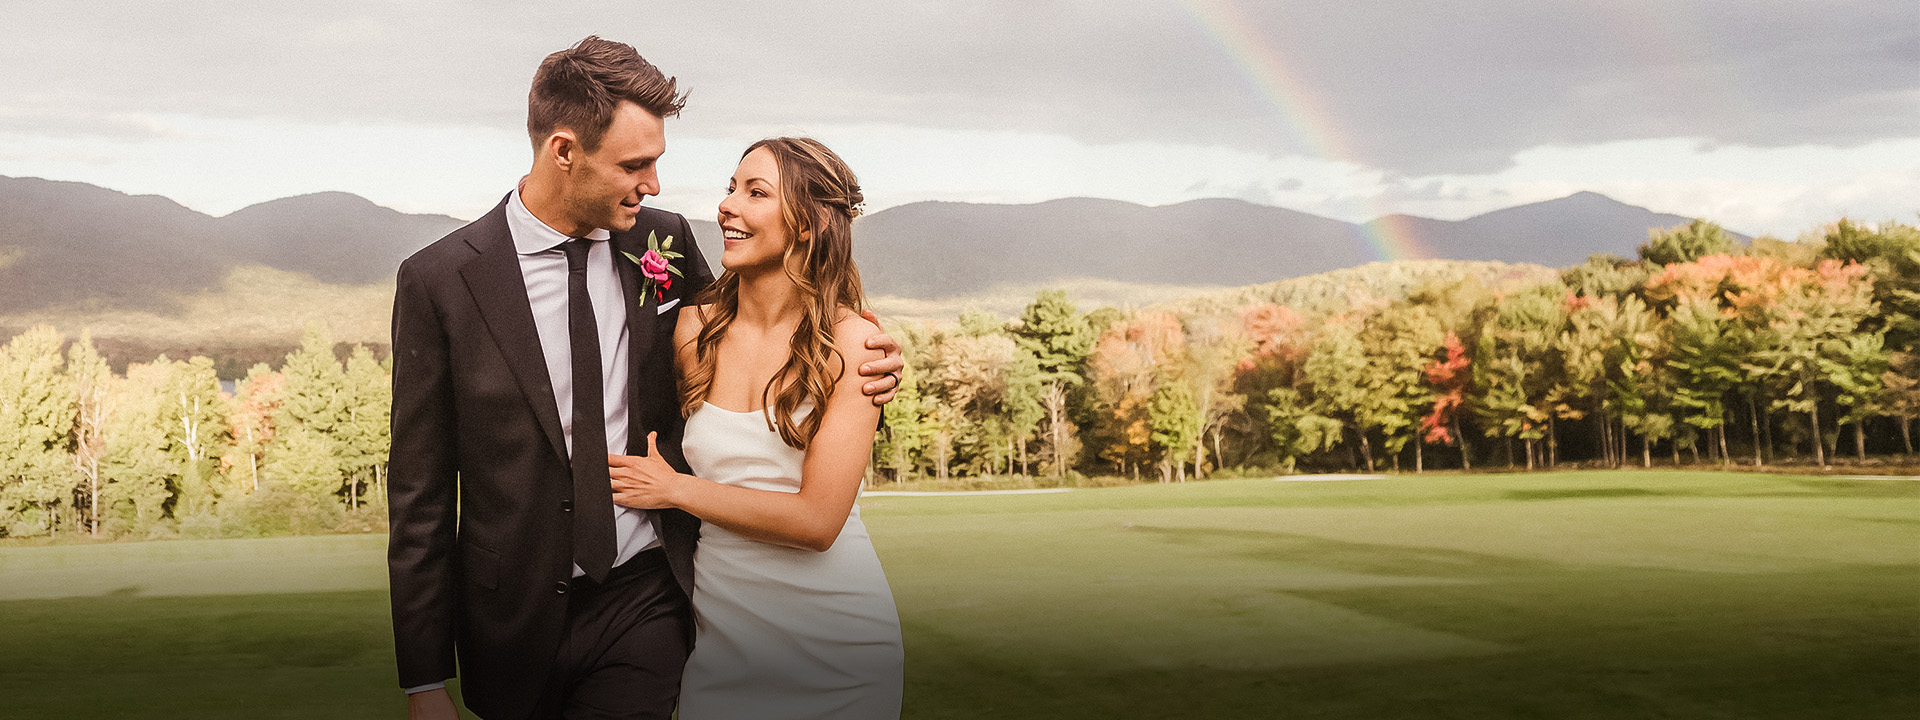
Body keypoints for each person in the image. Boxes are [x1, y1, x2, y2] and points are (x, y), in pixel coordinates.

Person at [386, 38, 903, 720]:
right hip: (511, 616)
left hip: (647, 596)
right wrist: (424, 681)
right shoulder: (439, 282)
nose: (654, 184)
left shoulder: (661, 242)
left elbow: (770, 328)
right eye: (636, 164)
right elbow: (418, 493)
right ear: (563, 151)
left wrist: (868, 357)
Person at [607, 137, 904, 719]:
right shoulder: (694, 329)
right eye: (731, 187)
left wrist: (675, 490)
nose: (728, 205)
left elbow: (818, 522)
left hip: (839, 646)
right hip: (723, 639)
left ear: (808, 226)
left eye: (756, 192)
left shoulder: (854, 344)